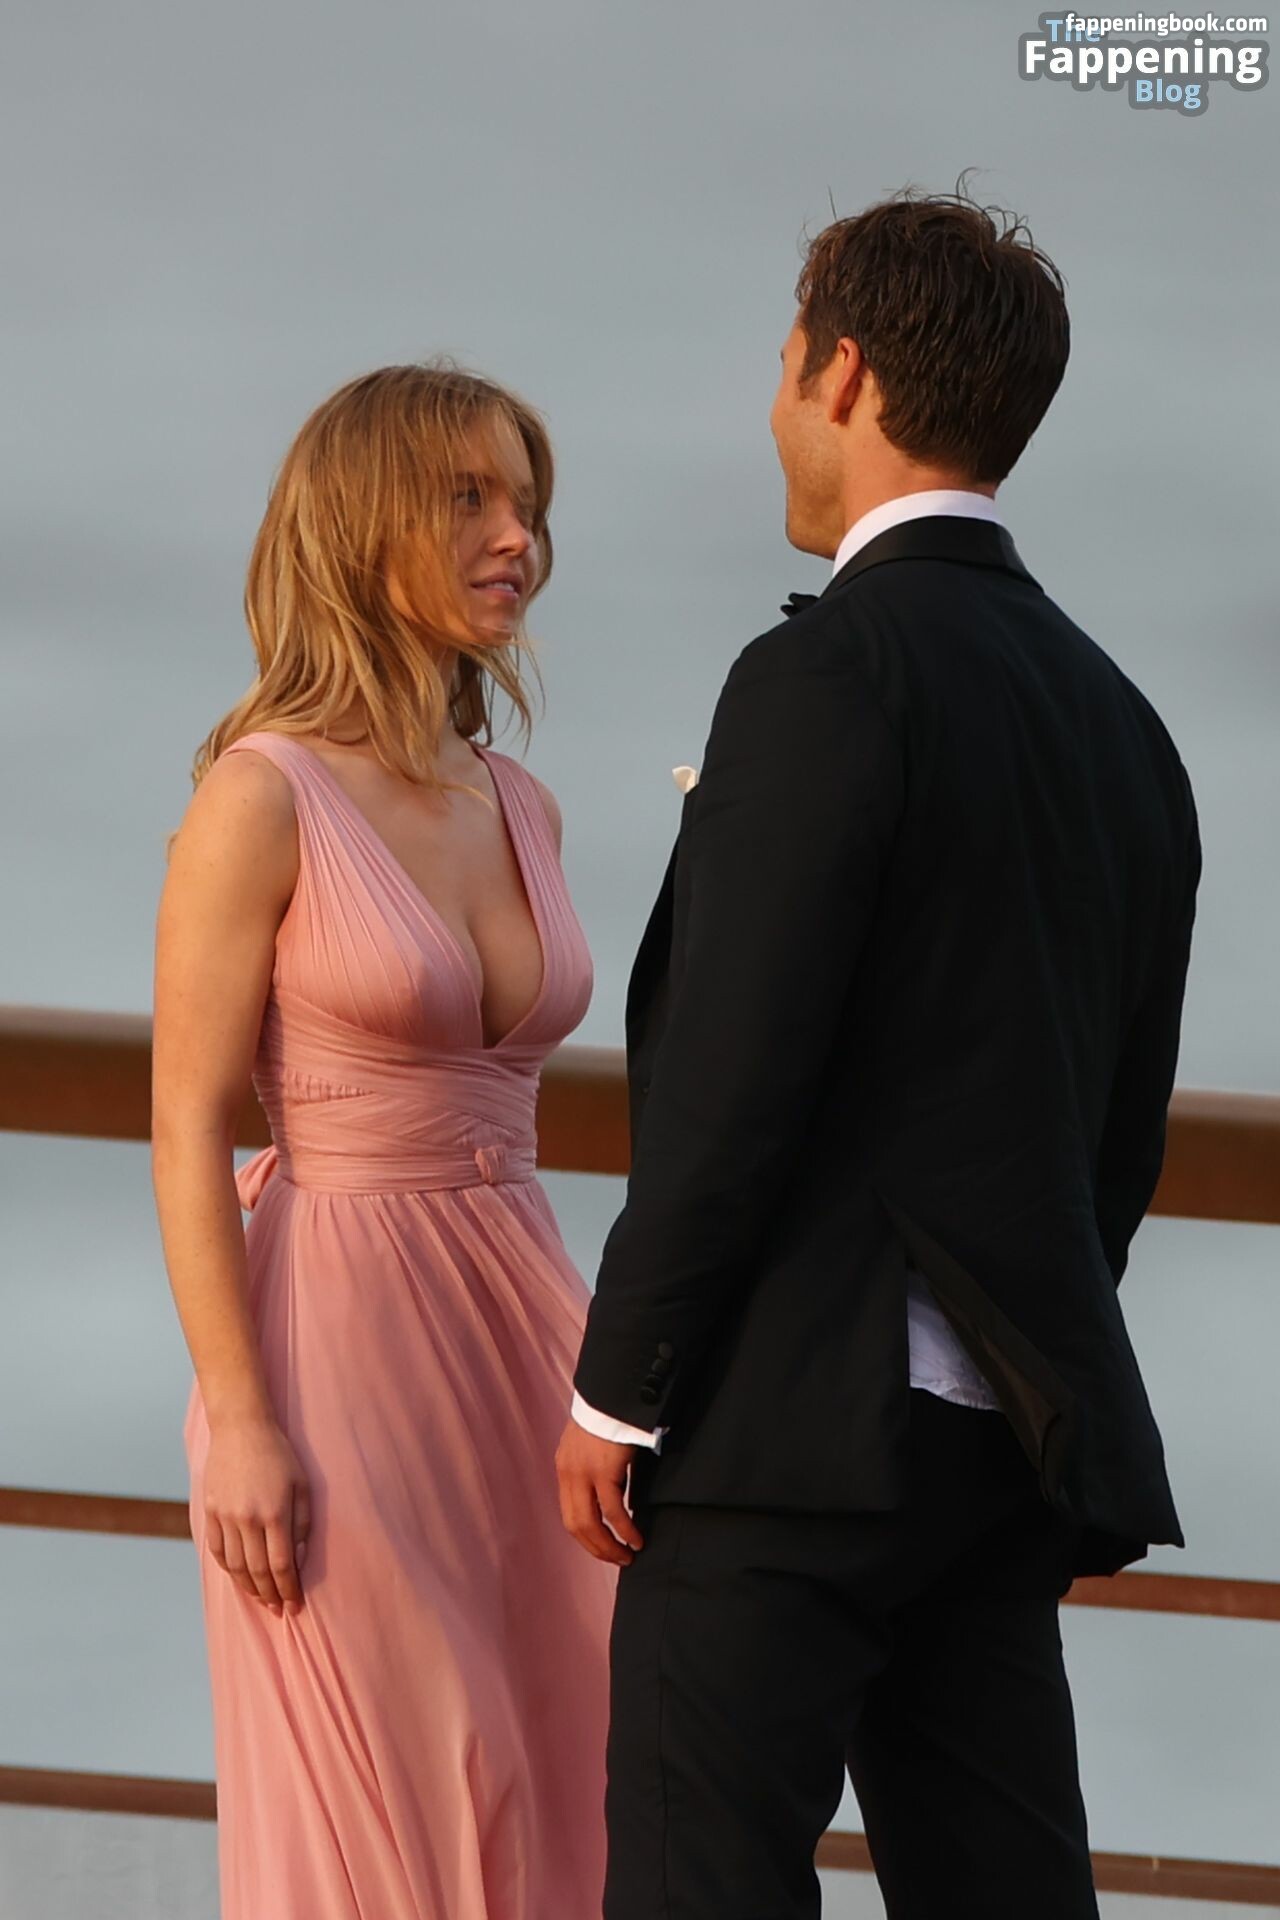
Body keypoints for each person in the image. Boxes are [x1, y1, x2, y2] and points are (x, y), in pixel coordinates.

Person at [557, 187, 1202, 1920]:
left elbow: (731, 1080)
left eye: (786, 359)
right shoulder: (1123, 725)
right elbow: (1119, 1129)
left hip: (783, 1441)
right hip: (1000, 1452)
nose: (776, 397)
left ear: (840, 372)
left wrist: (621, 1389)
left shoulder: (826, 676)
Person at [152, 361, 615, 1919]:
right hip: (337, 1344)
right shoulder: (261, 796)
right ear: (363, 528)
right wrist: (242, 1417)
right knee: (405, 1798)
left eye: (527, 504)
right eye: (469, 499)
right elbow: (184, 1126)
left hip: (530, 1326)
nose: (518, 538)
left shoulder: (522, 803)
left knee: (575, 1772)